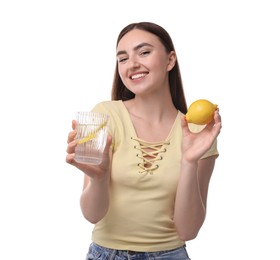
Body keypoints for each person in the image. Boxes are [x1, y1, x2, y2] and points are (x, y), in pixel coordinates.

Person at [66, 21, 222, 260]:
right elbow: (92, 215)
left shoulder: (198, 133)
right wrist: (98, 177)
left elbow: (188, 230)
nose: (132, 64)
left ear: (170, 60)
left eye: (144, 52)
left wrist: (189, 162)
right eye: (123, 58)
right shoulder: (104, 115)